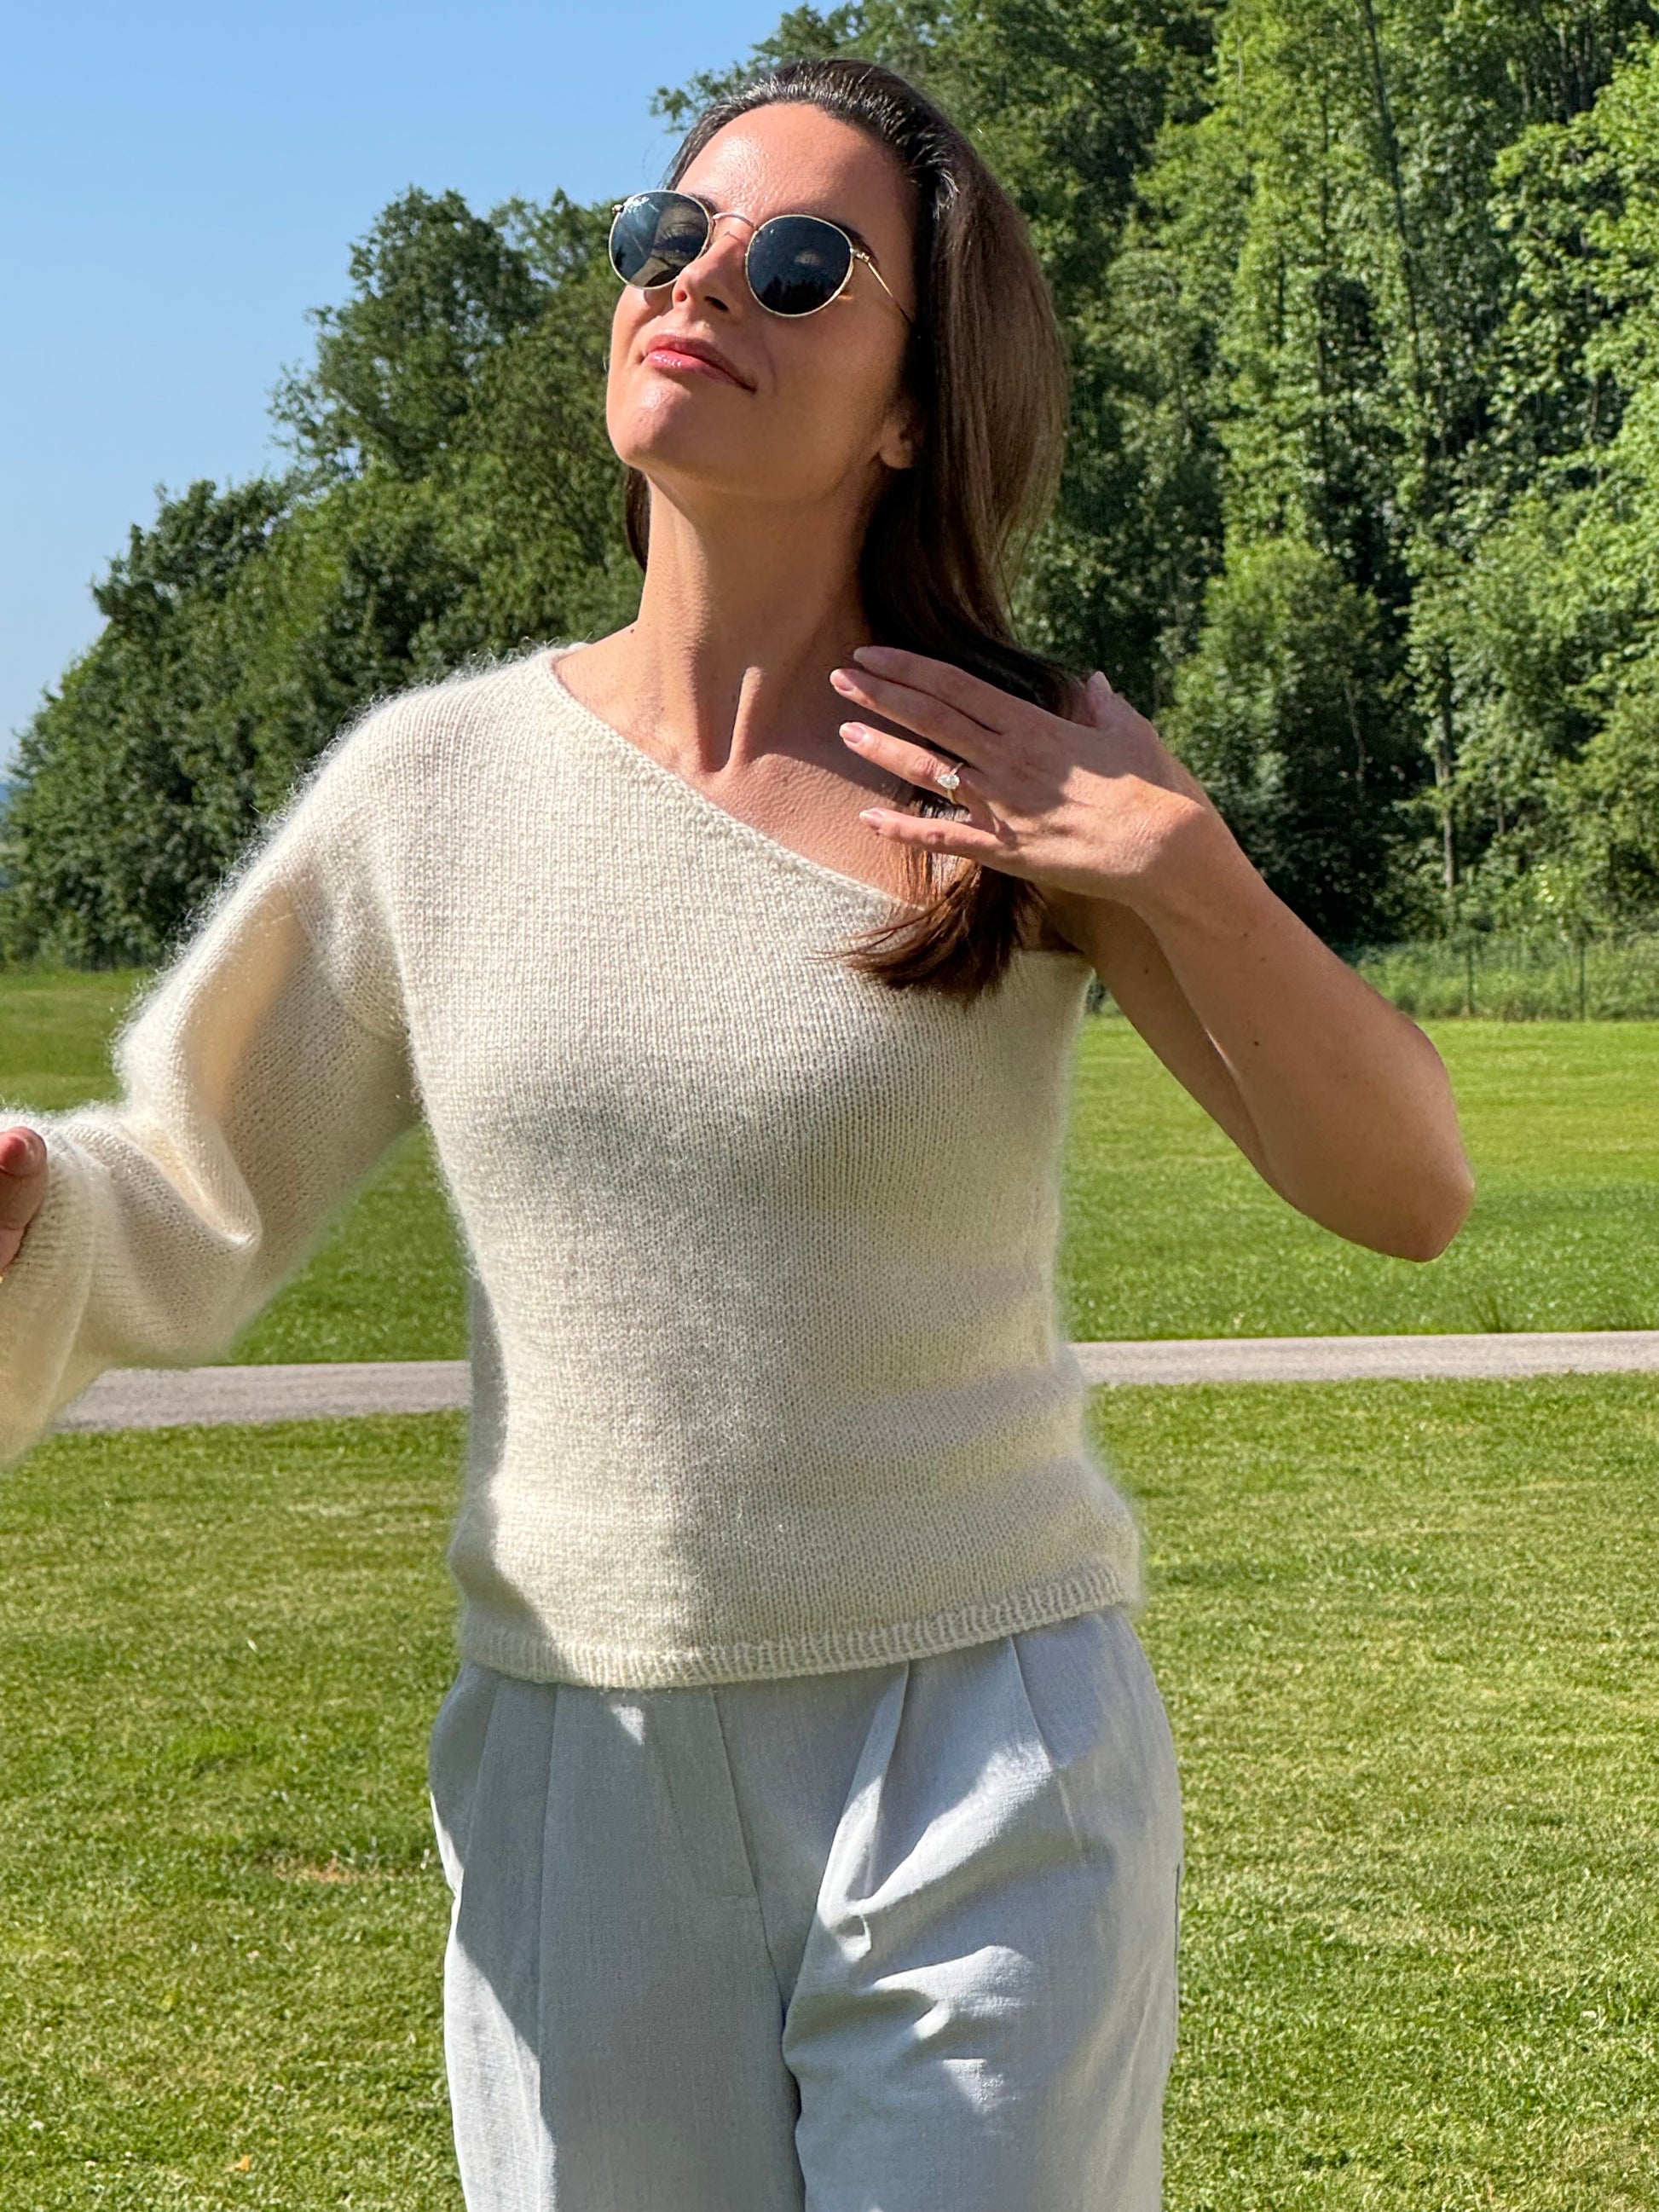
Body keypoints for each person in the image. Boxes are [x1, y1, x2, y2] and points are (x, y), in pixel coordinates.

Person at [0, 54, 1474, 2212]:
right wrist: (27, 1206)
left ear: (913, 409)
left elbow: (1407, 1187)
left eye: (798, 265)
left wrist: (1185, 868)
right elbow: (183, 1195)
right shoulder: (430, 788)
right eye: (669, 234)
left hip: (982, 1750)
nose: (701, 282)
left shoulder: (1022, 771)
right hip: (575, 1759)